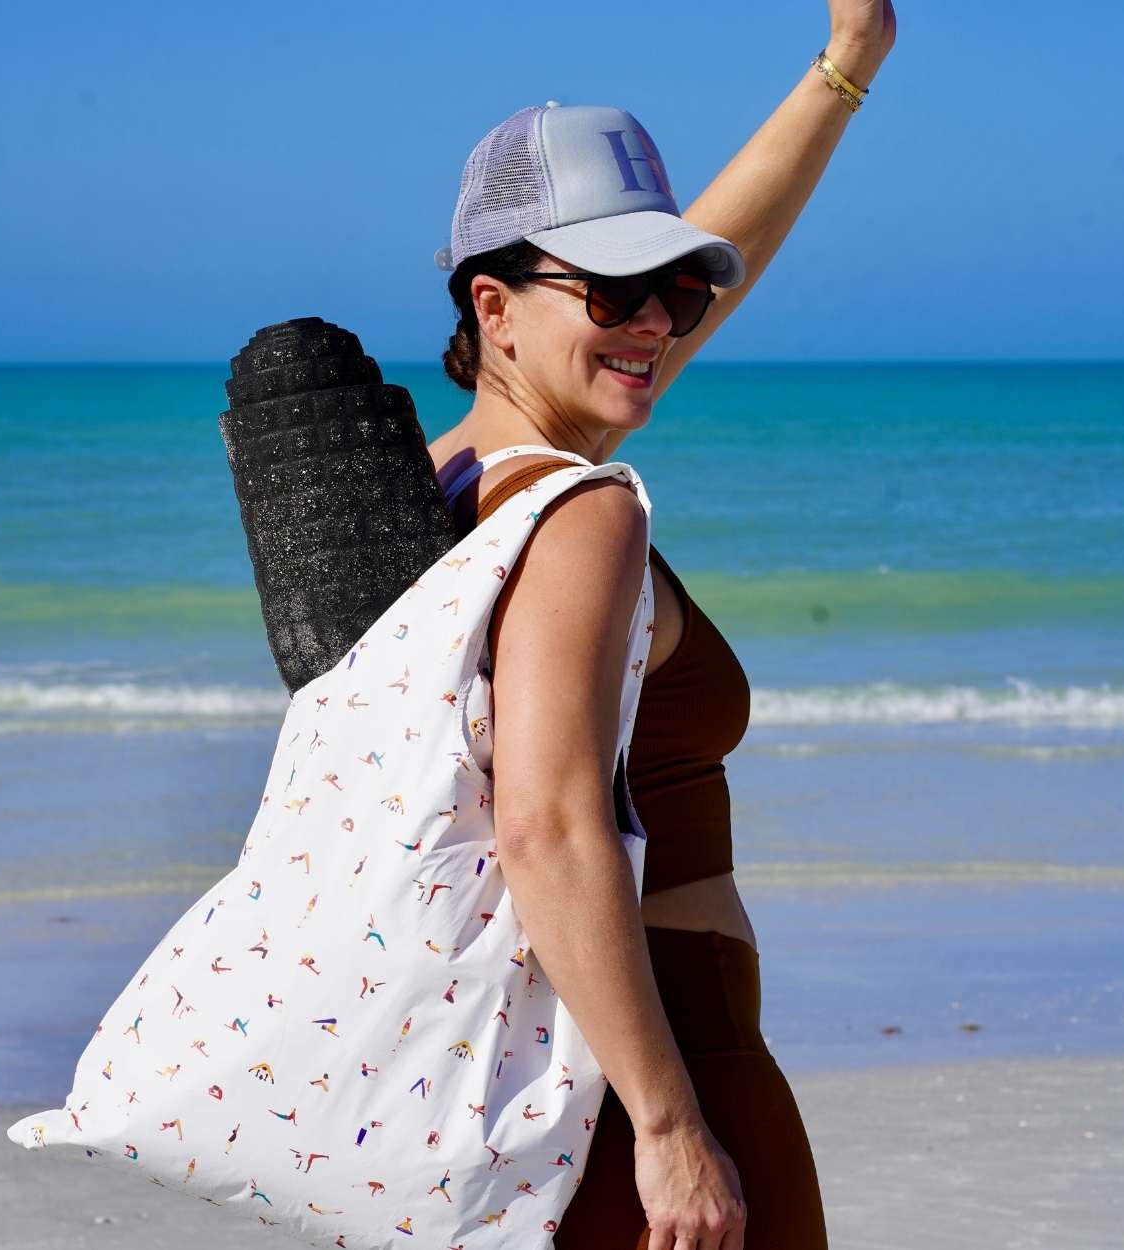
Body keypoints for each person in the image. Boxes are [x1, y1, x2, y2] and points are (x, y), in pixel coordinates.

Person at [426, 7, 896, 1249]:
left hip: (502, 1092)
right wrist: (676, 1127)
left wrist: (846, 68)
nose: (657, 322)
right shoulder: (580, 515)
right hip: (662, 1060)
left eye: (678, 292)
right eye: (618, 288)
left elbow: (661, 294)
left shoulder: (446, 491)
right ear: (496, 304)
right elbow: (546, 823)